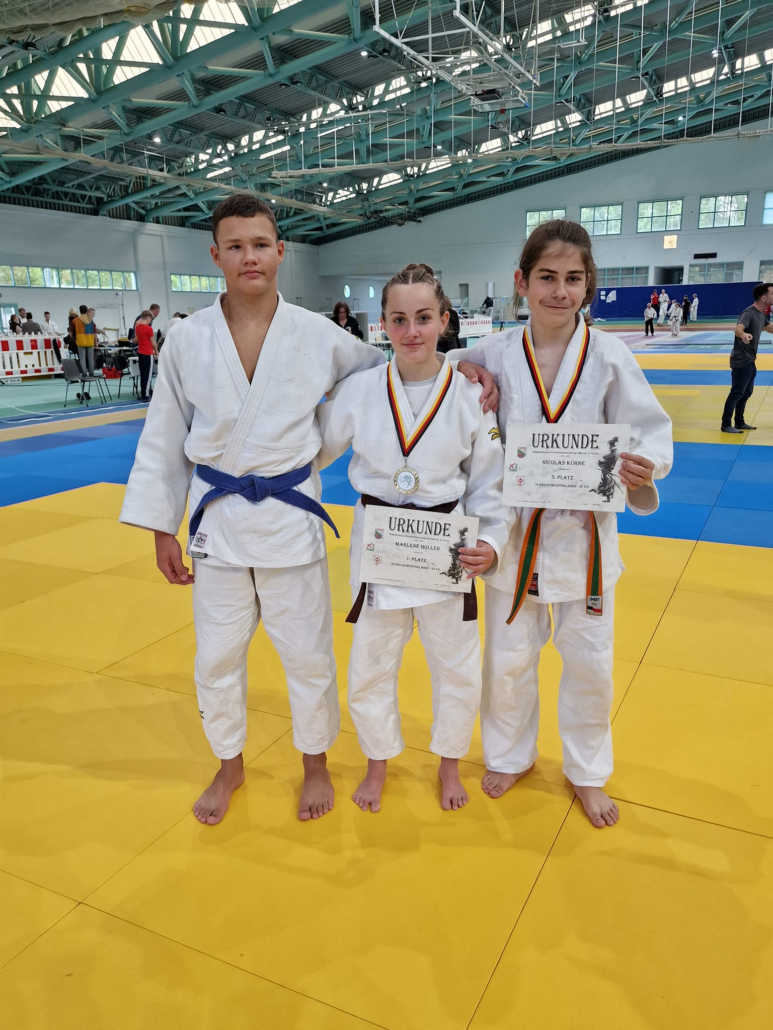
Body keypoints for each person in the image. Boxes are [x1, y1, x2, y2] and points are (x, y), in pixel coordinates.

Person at [119, 193, 498, 826]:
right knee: (215, 656)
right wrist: (162, 526)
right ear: (215, 255)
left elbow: (399, 366)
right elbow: (163, 434)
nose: (249, 257)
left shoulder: (318, 334)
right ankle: (229, 763)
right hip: (217, 519)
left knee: (308, 655)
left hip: (290, 519)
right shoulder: (186, 339)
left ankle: (315, 763)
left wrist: (467, 366)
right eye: (235, 246)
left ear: (279, 251)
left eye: (259, 244)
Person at [448, 219, 673, 828]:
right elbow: (428, 373)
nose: (559, 291)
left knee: (590, 663)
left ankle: (587, 772)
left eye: (573, 279)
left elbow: (651, 430)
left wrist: (644, 466)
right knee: (508, 661)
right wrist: (464, 373)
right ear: (521, 282)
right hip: (512, 538)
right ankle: (510, 756)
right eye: (546, 277)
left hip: (583, 540)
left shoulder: (609, 356)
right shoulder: (492, 353)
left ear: (588, 285)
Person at [315, 263, 512, 813]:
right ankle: (378, 762)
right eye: (398, 319)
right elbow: (313, 450)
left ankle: (449, 764)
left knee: (457, 667)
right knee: (370, 665)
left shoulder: (471, 394)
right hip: (381, 544)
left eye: (424, 318)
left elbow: (490, 481)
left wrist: (493, 543)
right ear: (383, 324)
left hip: (447, 546)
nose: (411, 331)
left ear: (444, 320)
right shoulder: (359, 391)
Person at [720, 282, 773, 434]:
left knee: (746, 392)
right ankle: (726, 424)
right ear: (763, 297)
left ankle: (739, 421)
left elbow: (770, 328)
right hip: (741, 360)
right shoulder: (749, 313)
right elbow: (738, 328)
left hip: (750, 360)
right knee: (737, 392)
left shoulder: (761, 314)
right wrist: (743, 335)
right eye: (772, 293)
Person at [135, 309, 158, 402]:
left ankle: (143, 393)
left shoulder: (137, 327)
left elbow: (137, 339)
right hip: (148, 353)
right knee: (148, 375)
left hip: (140, 352)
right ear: (148, 318)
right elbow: (153, 343)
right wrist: (156, 351)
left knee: (143, 374)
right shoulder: (149, 328)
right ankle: (146, 395)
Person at [73, 304, 96, 375]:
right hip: (90, 341)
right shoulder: (91, 320)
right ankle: (91, 372)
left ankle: (84, 373)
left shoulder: (75, 320)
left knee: (82, 358)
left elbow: (71, 332)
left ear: (80, 311)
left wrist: (74, 338)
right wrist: (95, 342)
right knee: (90, 358)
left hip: (80, 341)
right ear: (86, 311)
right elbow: (95, 331)